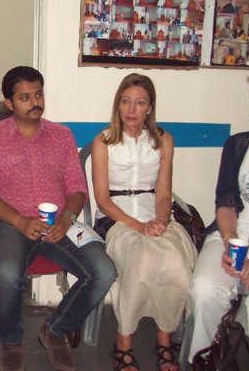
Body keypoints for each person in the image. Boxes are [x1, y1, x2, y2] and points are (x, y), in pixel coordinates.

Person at [0, 66, 116, 371]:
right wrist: (20, 221)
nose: (34, 102)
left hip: (58, 224)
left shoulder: (61, 135)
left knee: (104, 271)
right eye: (24, 97)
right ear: (9, 103)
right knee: (7, 273)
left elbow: (77, 188)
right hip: (9, 224)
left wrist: (66, 219)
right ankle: (11, 341)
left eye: (38, 94)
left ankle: (54, 331)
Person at [91, 74, 197, 371]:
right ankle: (123, 341)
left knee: (176, 262)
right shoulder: (103, 141)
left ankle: (164, 338)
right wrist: (137, 226)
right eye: (125, 102)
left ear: (150, 107)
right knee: (140, 259)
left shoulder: (163, 140)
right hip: (116, 219)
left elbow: (163, 193)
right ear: (118, 105)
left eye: (139, 103)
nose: (131, 109)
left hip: (155, 215)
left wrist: (161, 221)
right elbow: (102, 200)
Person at [188, 61, 249, 371]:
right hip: (235, 233)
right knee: (204, 287)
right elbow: (225, 203)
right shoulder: (237, 144)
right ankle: (205, 360)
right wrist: (229, 243)